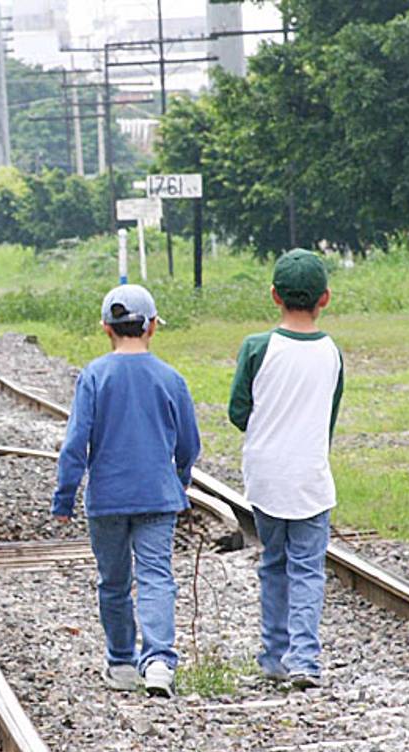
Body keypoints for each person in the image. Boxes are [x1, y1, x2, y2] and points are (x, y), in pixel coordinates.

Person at [52, 284, 201, 697]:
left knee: (113, 581)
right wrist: (181, 477)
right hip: (157, 496)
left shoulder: (94, 376)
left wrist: (65, 497)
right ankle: (158, 663)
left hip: (107, 498)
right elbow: (189, 442)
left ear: (106, 328)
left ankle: (120, 662)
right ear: (152, 326)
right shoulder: (171, 379)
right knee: (156, 577)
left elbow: (75, 443)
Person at [228, 248, 344, 690]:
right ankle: (305, 660)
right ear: (325, 298)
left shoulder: (257, 348)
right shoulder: (331, 352)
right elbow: (328, 418)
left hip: (265, 476)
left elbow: (239, 411)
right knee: (308, 569)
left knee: (273, 562)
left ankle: (274, 655)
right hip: (311, 476)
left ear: (274, 295)